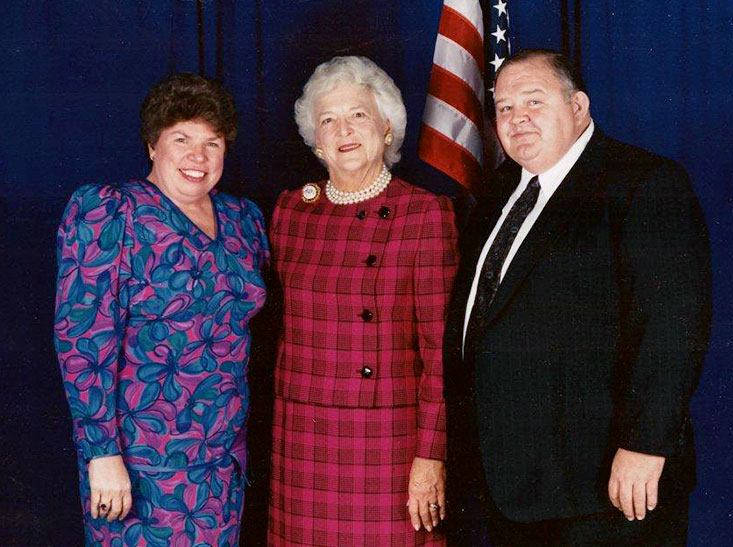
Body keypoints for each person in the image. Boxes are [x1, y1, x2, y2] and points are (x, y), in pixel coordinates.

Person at [444, 50, 711, 546]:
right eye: (503, 108)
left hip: (607, 486)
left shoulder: (642, 183)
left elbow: (674, 327)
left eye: (534, 101)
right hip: (508, 486)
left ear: (580, 106)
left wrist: (647, 444)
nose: (516, 118)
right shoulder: (499, 191)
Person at [54, 73, 269, 546]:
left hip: (222, 461)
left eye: (212, 143)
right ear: (153, 145)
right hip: (141, 462)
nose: (199, 156)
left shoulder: (243, 221)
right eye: (182, 139)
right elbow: (81, 342)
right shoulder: (111, 213)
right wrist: (101, 454)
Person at [267, 56, 458, 546]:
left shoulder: (425, 213)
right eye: (328, 119)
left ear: (388, 126)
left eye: (358, 115)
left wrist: (430, 456)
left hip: (386, 439)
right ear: (315, 137)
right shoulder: (291, 210)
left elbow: (440, 352)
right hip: (303, 433)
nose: (343, 130)